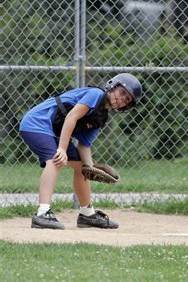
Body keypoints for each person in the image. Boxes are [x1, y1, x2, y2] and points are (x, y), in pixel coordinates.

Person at [19, 73, 143, 230]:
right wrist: (62, 149)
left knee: (81, 168)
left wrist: (89, 167)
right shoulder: (95, 94)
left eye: (126, 100)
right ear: (112, 85)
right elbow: (71, 117)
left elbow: (84, 145)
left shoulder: (101, 117)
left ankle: (87, 214)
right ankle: (42, 213)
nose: (121, 99)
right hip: (36, 122)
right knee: (55, 159)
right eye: (122, 93)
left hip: (53, 131)